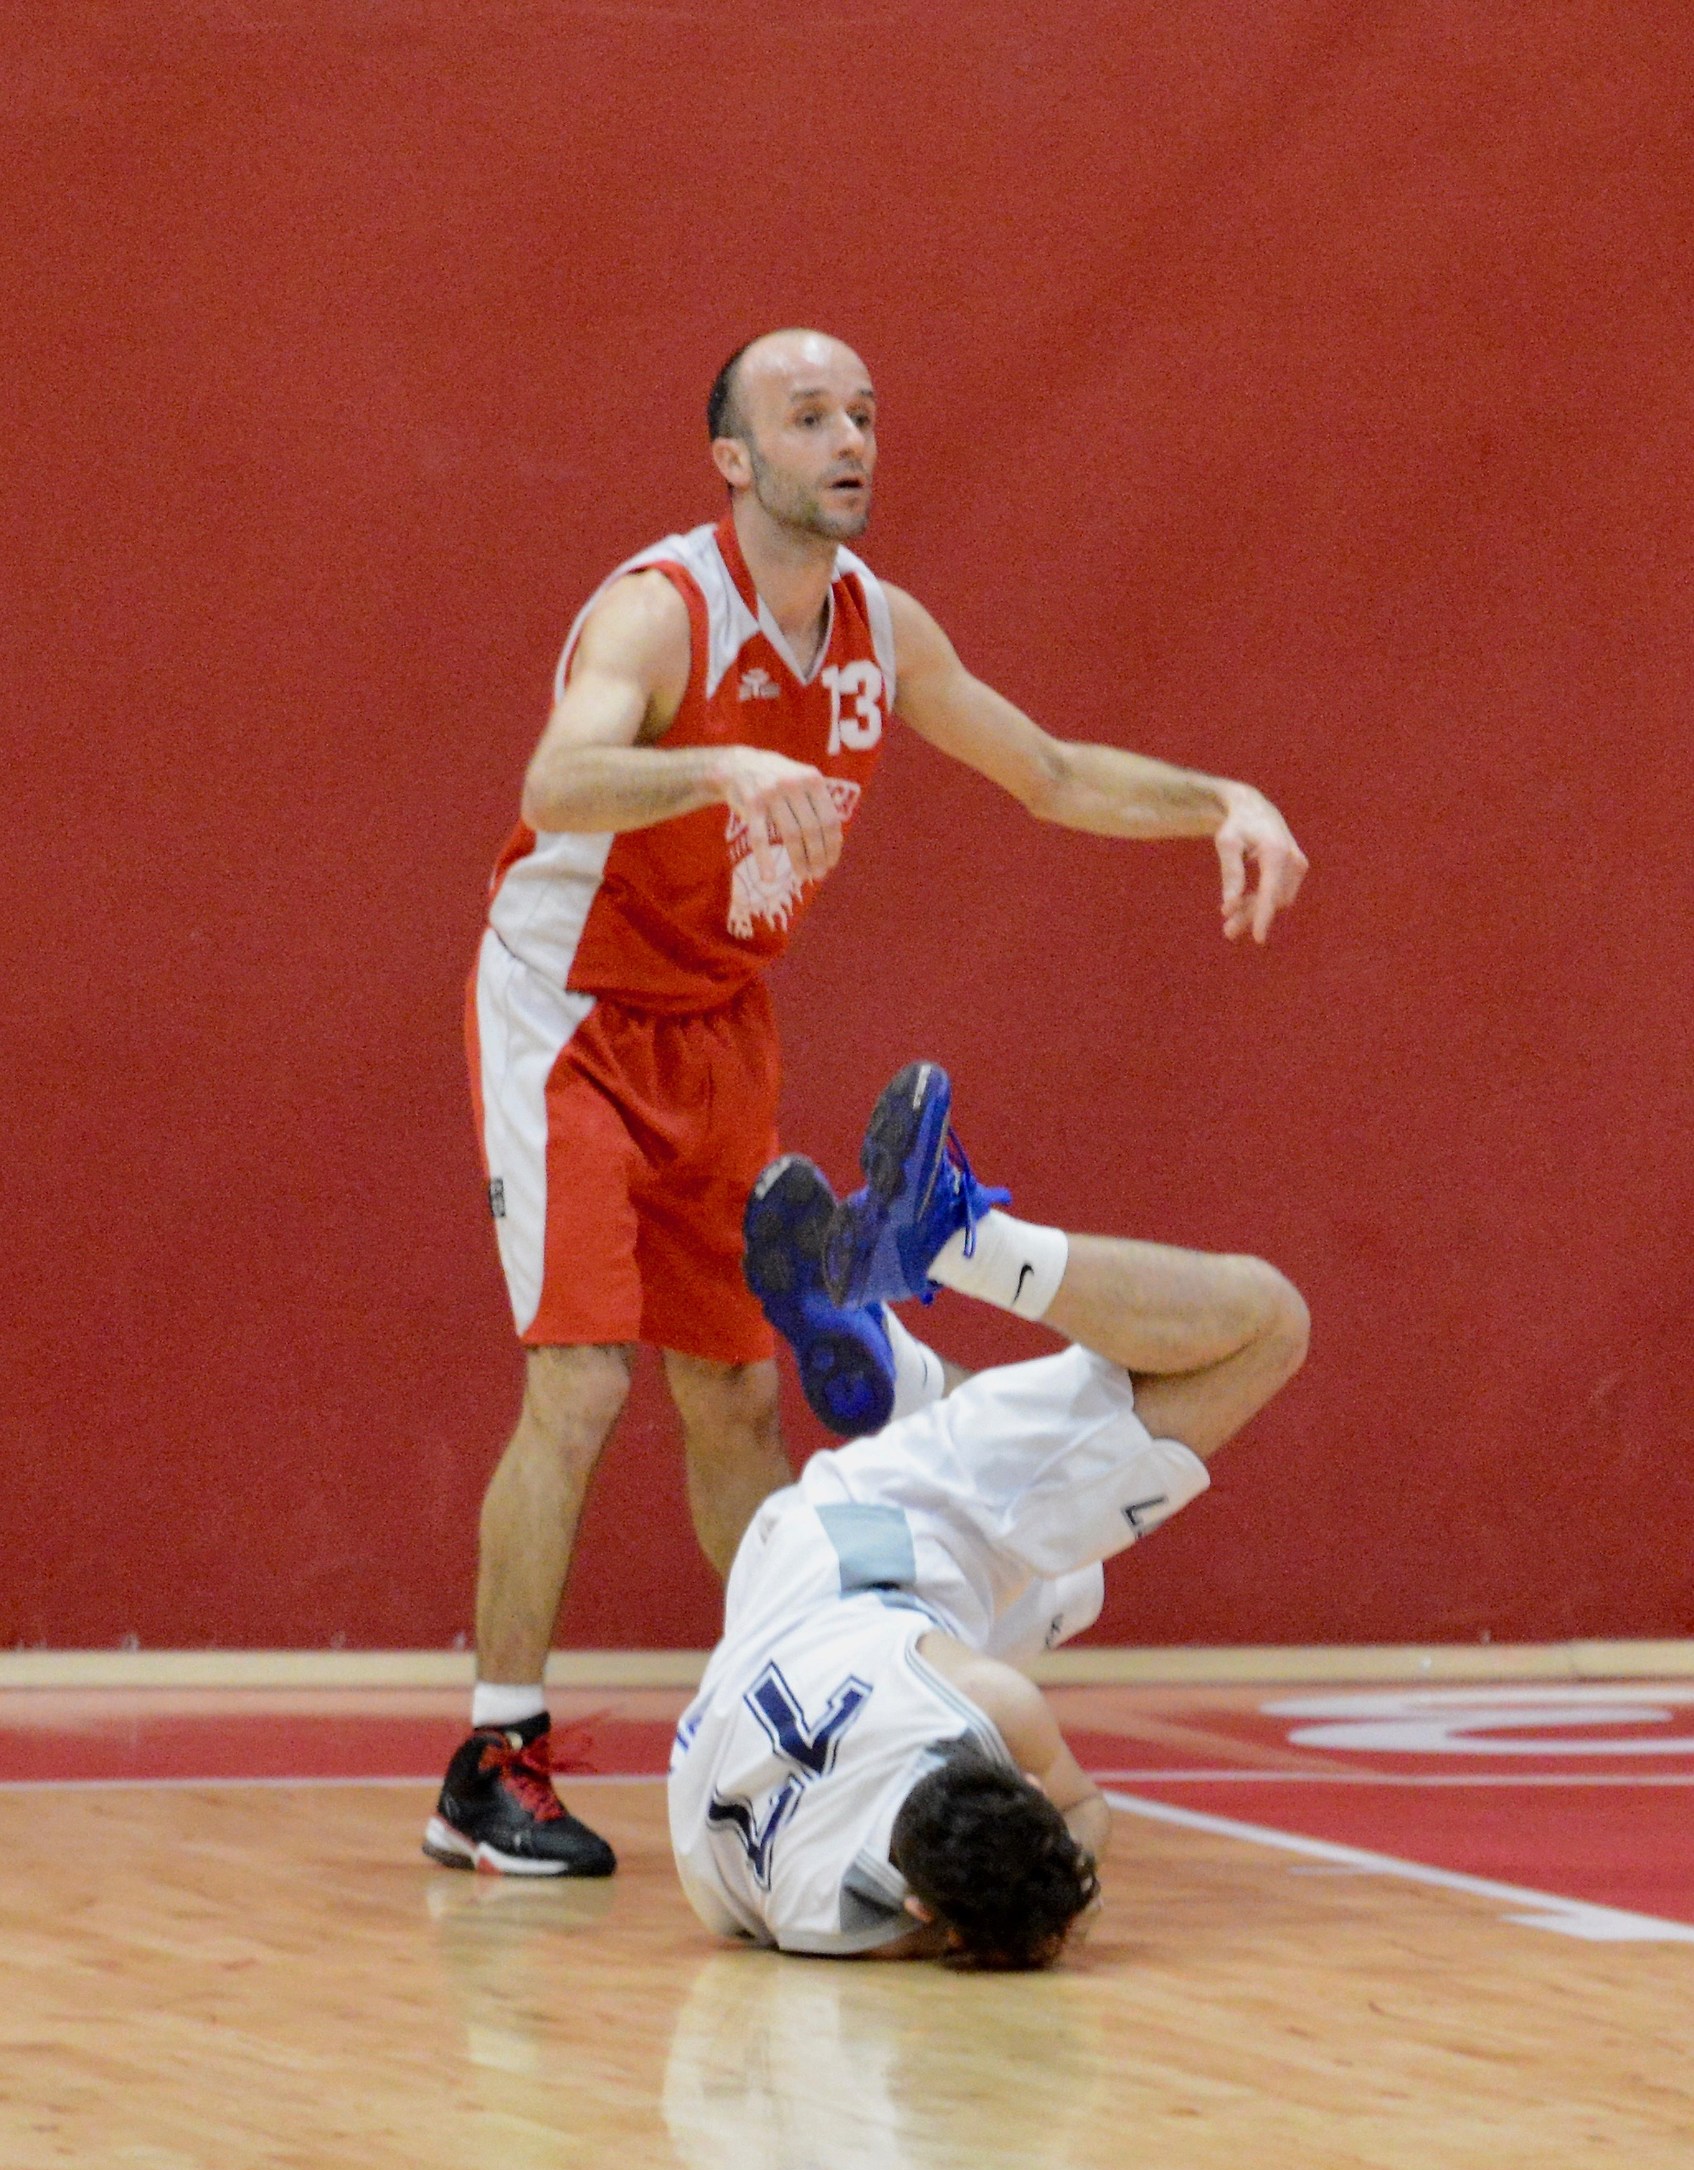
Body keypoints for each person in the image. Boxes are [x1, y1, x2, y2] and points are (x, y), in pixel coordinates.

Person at [425, 328, 1308, 1880]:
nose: (849, 439)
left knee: (739, 1397)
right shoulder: (660, 608)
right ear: (733, 457)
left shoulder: (878, 631)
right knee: (578, 1383)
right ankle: (490, 1762)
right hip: (569, 1013)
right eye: (809, 414)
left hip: (716, 1020)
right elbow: (556, 786)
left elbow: (1042, 770)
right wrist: (710, 770)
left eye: (864, 416)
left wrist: (1216, 802)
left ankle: (783, 1698)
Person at [668, 1062, 1309, 1964]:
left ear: (929, 1920)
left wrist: (1055, 1913)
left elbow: (1083, 1810)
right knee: (1071, 1578)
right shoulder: (832, 1915)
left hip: (875, 1537)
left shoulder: (984, 1707)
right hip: (768, 1630)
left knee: (1263, 1327)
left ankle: (957, 1241)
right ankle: (909, 1382)